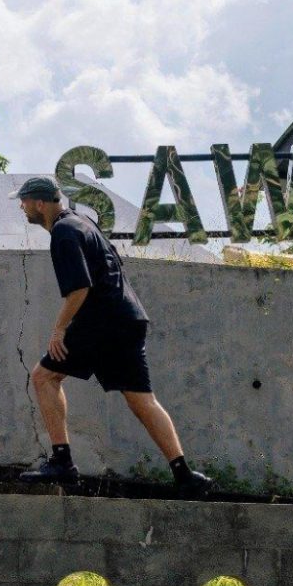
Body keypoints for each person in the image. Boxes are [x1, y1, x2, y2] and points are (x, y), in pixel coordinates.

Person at [15, 177, 213, 497]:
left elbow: (80, 287)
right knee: (141, 399)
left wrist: (59, 330)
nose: (21, 208)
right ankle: (185, 475)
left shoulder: (64, 233)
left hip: (102, 320)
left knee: (44, 377)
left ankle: (62, 462)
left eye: (23, 202)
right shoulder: (83, 223)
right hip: (128, 319)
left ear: (39, 203)